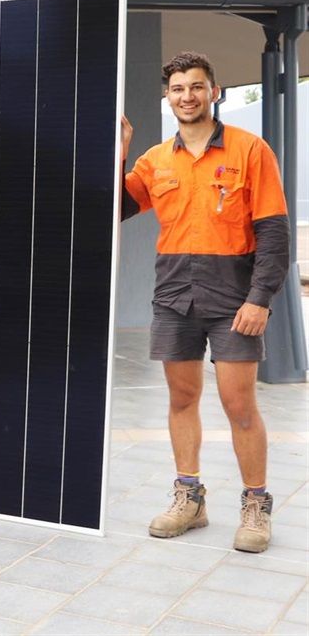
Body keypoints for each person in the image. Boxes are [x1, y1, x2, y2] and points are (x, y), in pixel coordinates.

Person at [121, 51, 290, 553]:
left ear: (213, 92)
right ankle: (189, 498)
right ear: (167, 96)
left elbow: (274, 235)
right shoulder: (155, 160)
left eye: (196, 86)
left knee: (239, 405)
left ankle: (256, 505)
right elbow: (106, 210)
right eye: (177, 88)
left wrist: (260, 299)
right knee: (180, 398)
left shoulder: (249, 150)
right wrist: (118, 152)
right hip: (174, 293)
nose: (187, 96)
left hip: (234, 294)